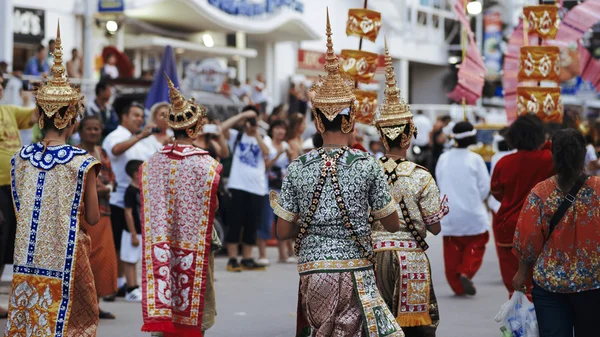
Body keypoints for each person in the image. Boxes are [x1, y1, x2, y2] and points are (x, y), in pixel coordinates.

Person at [272, 11, 403, 336]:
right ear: (351, 121)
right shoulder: (367, 164)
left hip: (314, 270)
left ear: (317, 122)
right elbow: (392, 224)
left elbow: (283, 231)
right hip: (357, 267)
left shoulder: (298, 166)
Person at [5, 25, 101, 335]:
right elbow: (93, 217)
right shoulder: (81, 162)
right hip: (68, 257)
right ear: (68, 119)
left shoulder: (20, 160)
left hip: (26, 261)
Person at [372, 41, 448, 336]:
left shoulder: (367, 170)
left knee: (378, 325)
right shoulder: (421, 175)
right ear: (408, 137)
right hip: (411, 259)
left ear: (381, 136)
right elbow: (435, 228)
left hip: (373, 255)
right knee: (416, 330)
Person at [141, 76, 221, 336]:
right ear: (195, 127)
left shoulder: (153, 161)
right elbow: (214, 206)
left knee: (166, 296)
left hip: (161, 243)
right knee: (194, 303)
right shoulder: (206, 164)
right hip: (194, 243)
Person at [513, 129, 600, 337]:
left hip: (550, 285)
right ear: (583, 156)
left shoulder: (541, 192)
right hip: (593, 282)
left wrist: (522, 272)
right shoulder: (598, 189)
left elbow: (528, 239)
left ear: (553, 156)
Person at [490, 115, 555, 298]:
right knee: (541, 286)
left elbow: (497, 193)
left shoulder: (504, 162)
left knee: (516, 288)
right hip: (541, 228)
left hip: (507, 228)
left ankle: (520, 322)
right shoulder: (549, 159)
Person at [102, 102, 156, 300]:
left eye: (142, 116)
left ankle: (123, 283)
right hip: (118, 198)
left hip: (140, 199)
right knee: (118, 244)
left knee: (129, 244)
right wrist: (141, 136)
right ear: (124, 117)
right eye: (136, 115)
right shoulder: (116, 135)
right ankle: (114, 285)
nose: (140, 119)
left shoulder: (144, 139)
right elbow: (115, 150)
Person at [436, 121, 490, 296]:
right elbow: (484, 188)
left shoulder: (443, 158)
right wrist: (474, 201)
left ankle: (457, 286)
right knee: (477, 245)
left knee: (452, 254)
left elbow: (439, 182)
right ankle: (466, 272)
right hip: (473, 214)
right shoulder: (476, 159)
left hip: (449, 215)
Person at [0, 72, 37, 319]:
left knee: (4, 247)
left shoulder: (9, 112)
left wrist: (44, 94)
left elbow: (35, 116)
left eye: (0, 85)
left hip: (12, 187)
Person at [78, 115, 119, 319]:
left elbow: (112, 180)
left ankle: (96, 305)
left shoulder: (103, 153)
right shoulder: (76, 153)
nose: (93, 132)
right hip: (84, 215)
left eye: (96, 129)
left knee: (102, 261)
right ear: (80, 131)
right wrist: (95, 189)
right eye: (89, 129)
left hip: (105, 214)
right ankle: (82, 306)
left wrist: (106, 187)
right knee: (85, 260)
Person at [224, 105, 270, 271]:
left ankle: (248, 257)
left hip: (257, 187)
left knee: (252, 224)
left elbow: (267, 152)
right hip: (238, 185)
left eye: (254, 119)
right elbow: (221, 128)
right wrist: (242, 115)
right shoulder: (236, 136)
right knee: (235, 222)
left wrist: (256, 132)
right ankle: (232, 258)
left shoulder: (263, 137)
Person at [259, 119, 297, 265]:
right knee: (266, 222)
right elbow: (265, 166)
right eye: (278, 128)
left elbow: (293, 164)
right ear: (272, 129)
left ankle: (283, 254)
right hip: (268, 189)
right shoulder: (267, 143)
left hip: (283, 189)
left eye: (283, 129)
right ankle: (262, 254)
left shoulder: (286, 145)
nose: (280, 131)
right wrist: (278, 154)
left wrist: (290, 156)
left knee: (282, 222)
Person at [122, 159, 143, 302]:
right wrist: (133, 234)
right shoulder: (130, 191)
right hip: (131, 231)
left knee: (134, 259)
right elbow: (128, 212)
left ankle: (135, 286)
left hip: (140, 231)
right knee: (130, 261)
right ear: (136, 174)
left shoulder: (141, 189)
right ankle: (131, 289)